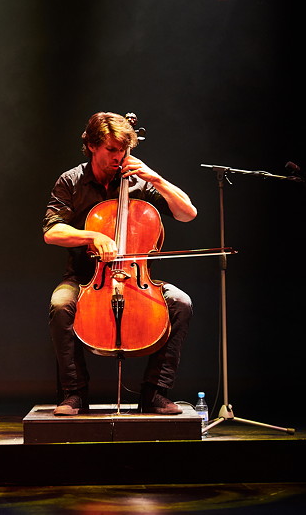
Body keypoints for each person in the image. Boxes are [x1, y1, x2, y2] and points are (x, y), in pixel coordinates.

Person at [43, 112, 197, 416]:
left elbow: (187, 213)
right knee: (61, 305)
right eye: (111, 150)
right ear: (91, 146)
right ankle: (74, 394)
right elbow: (51, 231)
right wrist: (92, 236)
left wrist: (156, 178)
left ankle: (155, 392)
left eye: (123, 150)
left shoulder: (138, 182)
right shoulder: (71, 181)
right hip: (85, 277)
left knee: (181, 302)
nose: (119, 157)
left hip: (137, 277)